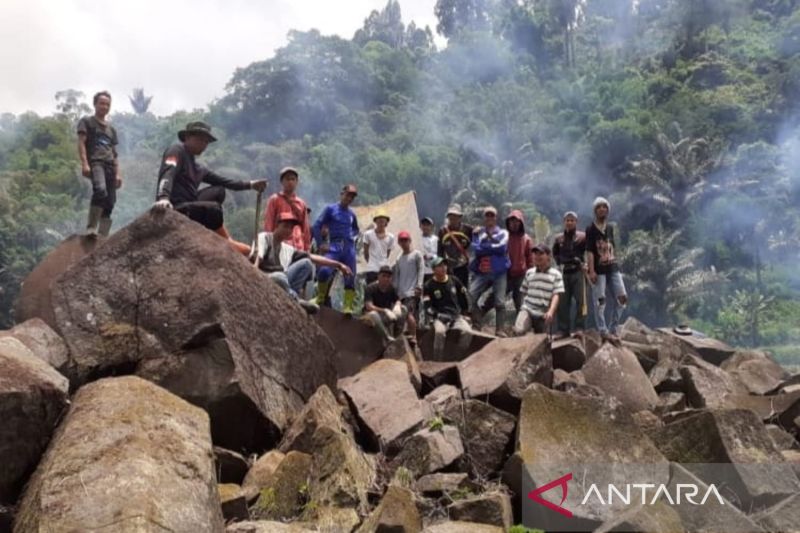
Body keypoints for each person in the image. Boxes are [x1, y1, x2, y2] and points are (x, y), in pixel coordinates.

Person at [152, 121, 267, 255]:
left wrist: (252, 185)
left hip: (190, 204)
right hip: (175, 207)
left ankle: (220, 237)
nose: (203, 145)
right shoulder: (177, 150)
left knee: (219, 190)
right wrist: (163, 197)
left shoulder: (198, 168)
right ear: (187, 137)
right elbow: (168, 172)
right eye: (200, 139)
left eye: (206, 142)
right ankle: (227, 243)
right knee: (213, 209)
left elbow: (226, 182)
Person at [254, 212, 352, 314]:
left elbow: (312, 257)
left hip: (284, 281)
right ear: (276, 225)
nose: (288, 230)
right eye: (285, 226)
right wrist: (254, 272)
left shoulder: (287, 248)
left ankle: (292, 294)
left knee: (307, 263)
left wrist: (339, 265)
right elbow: (259, 257)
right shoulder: (264, 237)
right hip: (267, 277)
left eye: (291, 228)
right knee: (279, 276)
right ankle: (295, 299)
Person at [77, 91, 121, 237]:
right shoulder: (87, 122)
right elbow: (81, 143)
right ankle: (91, 227)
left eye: (107, 104)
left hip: (110, 166)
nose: (105, 106)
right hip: (96, 163)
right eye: (102, 103)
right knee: (100, 190)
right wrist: (84, 164)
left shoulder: (111, 130)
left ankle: (103, 235)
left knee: (110, 201)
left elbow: (114, 153)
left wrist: (118, 173)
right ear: (95, 104)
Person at [312, 184, 360, 314]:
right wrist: (321, 243)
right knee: (324, 271)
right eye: (348, 195)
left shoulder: (352, 214)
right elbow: (316, 226)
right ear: (342, 193)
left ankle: (347, 306)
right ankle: (320, 297)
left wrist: (353, 238)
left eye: (352, 197)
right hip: (334, 245)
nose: (349, 198)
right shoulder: (330, 209)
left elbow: (356, 229)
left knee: (350, 275)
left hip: (349, 247)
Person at [586, 197, 628, 341]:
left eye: (605, 207)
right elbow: (590, 251)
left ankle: (613, 328)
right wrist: (591, 271)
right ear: (595, 210)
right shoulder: (590, 229)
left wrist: (617, 264)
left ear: (608, 210)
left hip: (613, 268)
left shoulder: (610, 227)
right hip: (599, 270)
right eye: (599, 207)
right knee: (600, 302)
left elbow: (612, 247)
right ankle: (603, 331)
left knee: (622, 298)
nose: (602, 209)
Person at [481, 210, 533, 318]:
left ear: (521, 223)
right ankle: (478, 315)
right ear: (508, 223)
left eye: (517, 221)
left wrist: (530, 276)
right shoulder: (504, 236)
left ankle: (522, 327)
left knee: (520, 302)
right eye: (512, 221)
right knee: (495, 297)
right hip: (505, 274)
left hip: (521, 275)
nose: (514, 224)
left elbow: (530, 259)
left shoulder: (526, 239)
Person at [469, 206, 510, 336]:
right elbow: (476, 249)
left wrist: (485, 247)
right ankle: (476, 324)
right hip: (482, 271)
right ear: (484, 218)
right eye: (487, 215)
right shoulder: (478, 233)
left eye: (492, 215)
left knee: (500, 302)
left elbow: (502, 248)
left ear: (495, 218)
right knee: (470, 296)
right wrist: (492, 247)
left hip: (499, 272)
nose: (490, 218)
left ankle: (500, 330)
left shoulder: (503, 232)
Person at [423, 257, 472, 360]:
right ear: (433, 269)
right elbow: (427, 307)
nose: (443, 268)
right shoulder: (428, 285)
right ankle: (438, 361)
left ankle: (457, 358)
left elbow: (463, 297)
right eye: (440, 266)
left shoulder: (454, 280)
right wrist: (437, 315)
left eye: (444, 265)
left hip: (455, 316)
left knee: (467, 332)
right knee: (440, 333)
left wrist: (465, 313)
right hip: (440, 317)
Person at [514, 244, 565, 335]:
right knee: (519, 331)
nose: (537, 256)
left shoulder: (556, 274)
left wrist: (551, 312)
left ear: (548, 256)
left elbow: (556, 295)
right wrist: (523, 308)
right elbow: (524, 292)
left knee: (543, 339)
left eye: (541, 254)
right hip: (528, 309)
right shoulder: (529, 273)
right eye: (535, 254)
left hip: (543, 313)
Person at [552, 211, 588, 338]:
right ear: (564, 222)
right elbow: (554, 253)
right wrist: (559, 262)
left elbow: (589, 252)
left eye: (572, 220)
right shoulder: (559, 238)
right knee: (563, 302)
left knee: (581, 301)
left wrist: (586, 265)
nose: (569, 222)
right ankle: (563, 330)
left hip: (578, 272)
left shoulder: (583, 237)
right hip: (564, 272)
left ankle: (579, 328)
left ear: (576, 222)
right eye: (567, 220)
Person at [264, 167, 311, 251]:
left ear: (297, 182)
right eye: (287, 179)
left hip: (298, 245)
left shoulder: (301, 203)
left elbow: (306, 228)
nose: (290, 182)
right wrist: (269, 244)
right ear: (282, 182)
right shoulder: (274, 199)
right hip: (280, 244)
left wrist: (307, 248)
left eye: (293, 179)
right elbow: (269, 222)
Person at [393, 231, 424, 342]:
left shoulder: (416, 254)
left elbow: (421, 270)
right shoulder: (399, 258)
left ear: (410, 241)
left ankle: (414, 336)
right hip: (401, 292)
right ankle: (406, 336)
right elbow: (397, 275)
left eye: (406, 240)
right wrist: (395, 291)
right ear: (399, 243)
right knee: (403, 315)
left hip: (412, 291)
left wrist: (419, 286)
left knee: (409, 313)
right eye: (401, 240)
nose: (404, 242)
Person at [363, 265, 407, 343]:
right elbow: (368, 306)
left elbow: (398, 300)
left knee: (403, 309)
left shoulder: (391, 288)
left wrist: (397, 305)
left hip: (386, 317)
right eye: (384, 276)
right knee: (373, 314)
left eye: (388, 277)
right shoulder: (370, 288)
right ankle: (387, 337)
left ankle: (397, 336)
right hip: (371, 318)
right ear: (378, 276)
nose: (386, 279)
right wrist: (385, 310)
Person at [437, 204, 473, 289]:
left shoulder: (468, 229)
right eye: (451, 216)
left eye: (455, 216)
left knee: (463, 290)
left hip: (463, 266)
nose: (453, 219)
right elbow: (440, 251)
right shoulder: (443, 231)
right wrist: (442, 266)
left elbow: (474, 244)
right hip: (449, 267)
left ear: (460, 217)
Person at [363, 211, 395, 284]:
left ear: (386, 222)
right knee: (371, 289)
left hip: (384, 269)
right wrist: (371, 262)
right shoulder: (368, 234)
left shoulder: (391, 237)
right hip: (371, 268)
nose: (381, 221)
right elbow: (366, 252)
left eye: (383, 220)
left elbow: (387, 253)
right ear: (375, 221)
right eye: (379, 219)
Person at [420, 217, 439, 285]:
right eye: (424, 225)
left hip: (433, 271)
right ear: (420, 226)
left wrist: (431, 256)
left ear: (432, 227)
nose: (425, 227)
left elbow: (439, 254)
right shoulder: (417, 238)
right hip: (421, 271)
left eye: (428, 225)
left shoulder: (436, 239)